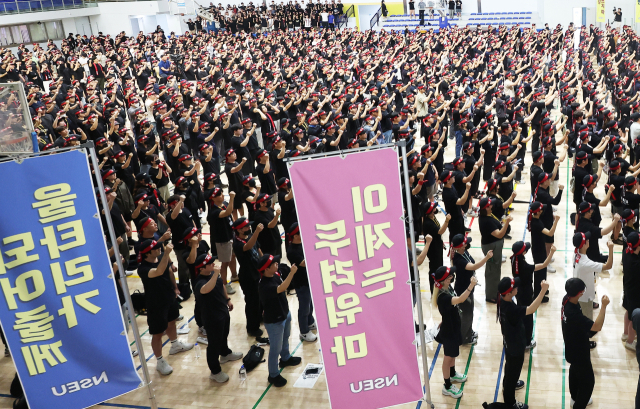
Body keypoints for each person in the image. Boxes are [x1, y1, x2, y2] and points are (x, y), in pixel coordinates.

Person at [137, 240, 194, 375]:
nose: (159, 249)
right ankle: (160, 360)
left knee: (172, 322)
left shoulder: (160, 258)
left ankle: (175, 345)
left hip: (169, 297)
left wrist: (175, 288)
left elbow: (168, 272)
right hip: (155, 303)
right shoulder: (143, 269)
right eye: (156, 248)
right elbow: (158, 271)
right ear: (148, 253)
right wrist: (167, 254)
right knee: (157, 334)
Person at [498, 276, 549, 409]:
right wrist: (542, 291)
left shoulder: (503, 302)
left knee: (509, 367)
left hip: (509, 343)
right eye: (515, 287)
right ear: (508, 293)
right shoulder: (511, 310)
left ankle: (509, 383)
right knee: (513, 371)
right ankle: (510, 402)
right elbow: (531, 309)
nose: (517, 288)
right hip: (515, 346)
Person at [192, 253, 243, 383]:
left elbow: (221, 285)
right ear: (202, 268)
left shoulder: (214, 275)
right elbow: (205, 289)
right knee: (214, 344)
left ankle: (225, 354)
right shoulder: (199, 282)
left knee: (224, 335)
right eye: (209, 263)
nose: (213, 264)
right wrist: (215, 274)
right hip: (212, 317)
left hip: (222, 312)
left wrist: (228, 300)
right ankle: (215, 371)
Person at [562, 278, 610, 409]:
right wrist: (604, 306)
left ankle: (574, 398)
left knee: (574, 371)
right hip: (579, 351)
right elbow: (597, 326)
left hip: (571, 346)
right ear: (580, 293)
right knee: (588, 382)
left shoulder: (566, 300)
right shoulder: (573, 314)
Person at [432, 266, 478, 399]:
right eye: (450, 275)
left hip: (453, 326)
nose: (452, 276)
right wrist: (471, 285)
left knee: (452, 355)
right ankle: (447, 386)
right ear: (444, 280)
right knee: (448, 358)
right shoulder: (443, 297)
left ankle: (452, 374)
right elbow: (460, 300)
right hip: (449, 331)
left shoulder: (447, 288)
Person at [258, 253, 302, 387]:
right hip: (274, 321)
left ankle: (286, 358)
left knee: (286, 337)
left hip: (284, 313)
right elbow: (282, 288)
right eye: (274, 264)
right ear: (266, 269)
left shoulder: (274, 275)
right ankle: (273, 374)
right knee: (275, 348)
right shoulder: (265, 285)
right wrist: (292, 273)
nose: (277, 264)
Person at [510, 241, 555, 348]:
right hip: (526, 292)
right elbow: (544, 265)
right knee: (528, 316)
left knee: (521, 313)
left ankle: (521, 336)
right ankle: (527, 342)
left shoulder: (514, 259)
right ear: (523, 252)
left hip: (518, 290)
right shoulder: (525, 267)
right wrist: (551, 253)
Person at [451, 234, 492, 344]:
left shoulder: (463, 252)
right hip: (464, 290)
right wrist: (486, 258)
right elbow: (473, 266)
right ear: (459, 247)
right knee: (467, 315)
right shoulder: (459, 260)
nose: (467, 244)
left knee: (469, 313)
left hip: (469, 287)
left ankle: (468, 331)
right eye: (464, 243)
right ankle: (464, 338)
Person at [232, 217, 265, 338]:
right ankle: (252, 328)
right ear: (239, 230)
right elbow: (248, 246)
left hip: (257, 273)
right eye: (245, 227)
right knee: (252, 303)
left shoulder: (250, 235)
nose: (248, 228)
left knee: (259, 300)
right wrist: (256, 232)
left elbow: (258, 248)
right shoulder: (237, 243)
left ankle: (259, 318)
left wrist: (263, 264)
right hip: (248, 276)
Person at [573, 232, 614, 327]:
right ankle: (587, 340)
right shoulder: (585, 263)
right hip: (585, 297)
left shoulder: (576, 254)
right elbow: (608, 266)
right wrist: (611, 249)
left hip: (579, 294)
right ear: (583, 245)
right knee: (587, 324)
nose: (588, 240)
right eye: (586, 239)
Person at [286, 223, 317, 342]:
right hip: (301, 283)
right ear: (294, 236)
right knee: (304, 307)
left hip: (308, 280)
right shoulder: (291, 251)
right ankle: (304, 331)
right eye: (299, 233)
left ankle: (310, 322)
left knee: (310, 304)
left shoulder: (303, 244)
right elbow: (303, 263)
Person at [478, 197, 512, 301]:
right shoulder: (486, 221)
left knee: (495, 270)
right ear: (486, 208)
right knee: (493, 271)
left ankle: (494, 292)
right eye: (489, 205)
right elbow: (499, 234)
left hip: (493, 245)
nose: (492, 206)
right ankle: (491, 296)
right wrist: (507, 222)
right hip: (491, 247)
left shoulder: (488, 215)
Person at [623, 232, 640, 351]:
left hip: (627, 288)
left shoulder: (626, 252)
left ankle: (625, 334)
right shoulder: (637, 264)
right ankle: (630, 341)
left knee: (628, 312)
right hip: (635, 293)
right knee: (634, 318)